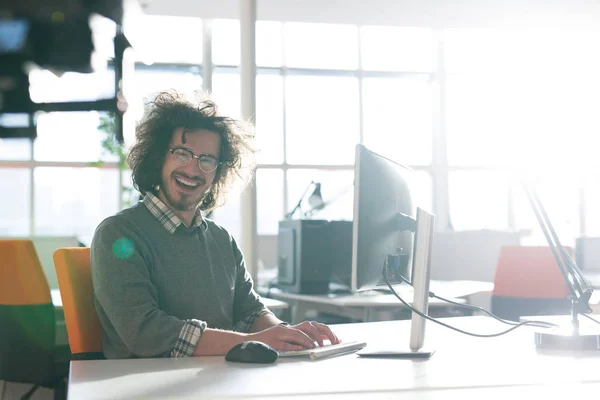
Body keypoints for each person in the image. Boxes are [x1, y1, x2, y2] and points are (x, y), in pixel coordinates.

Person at [90, 91, 341, 359]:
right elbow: (145, 333)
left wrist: (286, 334)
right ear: (159, 155)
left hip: (215, 381)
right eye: (182, 153)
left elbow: (250, 310)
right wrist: (252, 340)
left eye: (207, 160)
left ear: (219, 171)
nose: (193, 169)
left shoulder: (222, 240)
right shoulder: (118, 234)